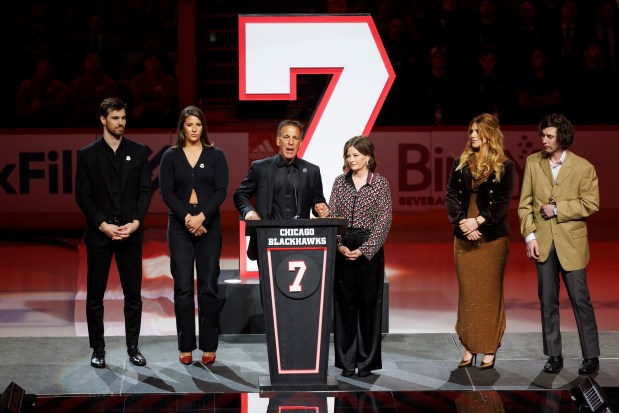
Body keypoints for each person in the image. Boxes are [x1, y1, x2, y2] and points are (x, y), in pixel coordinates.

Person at [518, 113, 600, 375]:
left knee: (580, 299)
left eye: (549, 136)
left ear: (562, 138)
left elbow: (591, 203)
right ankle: (554, 355)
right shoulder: (533, 163)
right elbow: (524, 205)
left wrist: (558, 209)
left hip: (572, 244)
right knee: (548, 301)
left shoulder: (584, 167)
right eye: (542, 135)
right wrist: (529, 236)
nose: (543, 140)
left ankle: (591, 356)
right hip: (543, 243)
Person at [75, 97, 152, 368]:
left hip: (130, 234)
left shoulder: (139, 152)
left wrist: (136, 222)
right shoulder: (87, 155)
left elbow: (145, 191)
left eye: (123, 117)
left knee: (133, 295)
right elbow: (82, 196)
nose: (121, 122)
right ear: (103, 120)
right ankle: (98, 349)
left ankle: (133, 347)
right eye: (115, 118)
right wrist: (102, 224)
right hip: (100, 235)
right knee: (95, 296)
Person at [159, 106, 229, 365]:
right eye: (189, 125)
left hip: (209, 223)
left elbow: (221, 190)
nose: (194, 129)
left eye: (198, 125)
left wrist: (202, 217)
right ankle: (186, 345)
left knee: (209, 286)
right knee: (183, 288)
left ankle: (209, 345)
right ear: (182, 127)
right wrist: (188, 218)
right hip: (180, 225)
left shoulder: (216, 155)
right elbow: (166, 193)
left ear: (203, 127)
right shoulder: (170, 156)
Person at [445, 113, 515, 370]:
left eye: (476, 131)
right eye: (470, 131)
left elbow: (502, 202)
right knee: (468, 293)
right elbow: (451, 195)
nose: (472, 135)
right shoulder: (460, 163)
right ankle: (468, 345)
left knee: (489, 292)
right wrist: (463, 222)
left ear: (489, 134)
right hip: (464, 234)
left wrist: (479, 221)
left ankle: (488, 347)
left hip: (492, 238)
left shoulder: (506, 165)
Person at [328, 136, 392, 378]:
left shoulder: (380, 184)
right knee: (344, 306)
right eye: (348, 155)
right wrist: (339, 245)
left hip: (369, 249)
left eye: (356, 155)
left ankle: (365, 363)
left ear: (368, 157)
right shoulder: (339, 183)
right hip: (344, 245)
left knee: (368, 306)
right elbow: (333, 215)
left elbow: (384, 220)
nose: (351, 159)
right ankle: (346, 362)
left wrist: (366, 250)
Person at [233, 119, 330, 260]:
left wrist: (322, 208)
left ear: (300, 143)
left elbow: (318, 202)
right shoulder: (260, 167)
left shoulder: (312, 171)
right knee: (269, 282)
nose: (291, 142)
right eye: (286, 137)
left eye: (295, 138)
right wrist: (249, 210)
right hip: (267, 239)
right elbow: (240, 194)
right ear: (278, 141)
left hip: (300, 241)